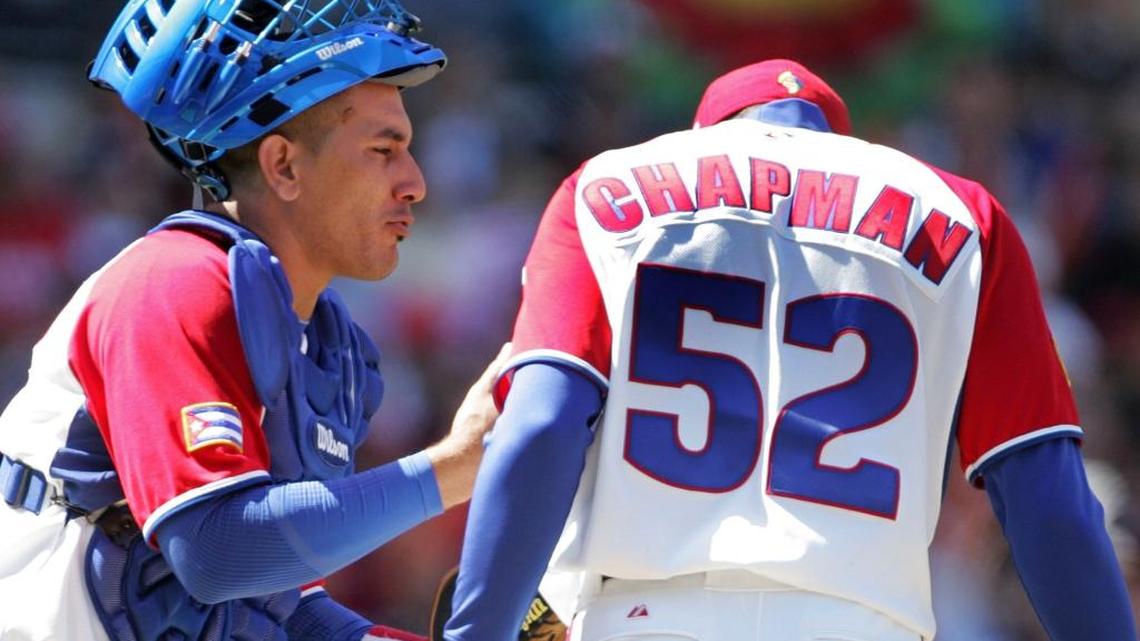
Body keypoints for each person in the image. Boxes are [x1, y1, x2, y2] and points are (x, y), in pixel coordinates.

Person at [442, 59, 1138, 641]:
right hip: (863, 619)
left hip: (642, 614)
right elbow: (1047, 496)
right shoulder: (967, 215)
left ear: (706, 132)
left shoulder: (599, 189)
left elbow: (540, 425)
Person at [0, 1, 507, 640]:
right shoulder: (172, 282)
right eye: (384, 150)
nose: (415, 183)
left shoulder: (326, 342)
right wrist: (452, 467)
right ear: (283, 166)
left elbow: (272, 606)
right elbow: (215, 552)